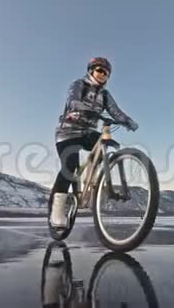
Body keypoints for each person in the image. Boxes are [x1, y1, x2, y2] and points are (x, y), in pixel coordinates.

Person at [49, 57, 138, 228]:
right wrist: (83, 110)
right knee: (70, 166)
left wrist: (128, 121)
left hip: (87, 133)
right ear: (91, 71)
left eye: (106, 73)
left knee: (108, 144)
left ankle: (91, 179)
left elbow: (115, 111)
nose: (103, 74)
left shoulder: (105, 95)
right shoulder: (79, 85)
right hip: (67, 132)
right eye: (99, 70)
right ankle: (56, 213)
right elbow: (72, 100)